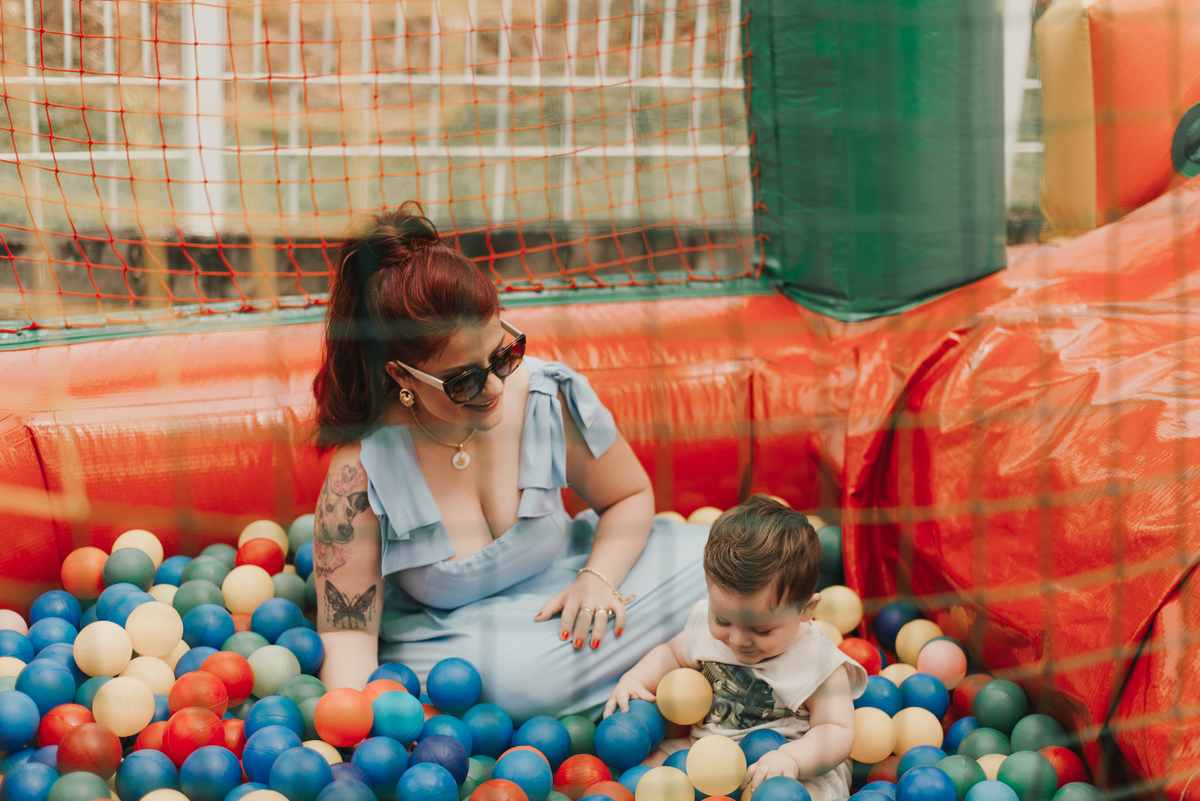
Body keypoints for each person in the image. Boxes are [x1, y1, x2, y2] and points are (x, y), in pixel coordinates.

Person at [310, 202, 710, 722]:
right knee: (519, 681)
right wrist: (366, 732)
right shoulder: (359, 474)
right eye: (464, 380)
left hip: (574, 584)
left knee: (729, 561)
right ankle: (687, 664)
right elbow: (349, 634)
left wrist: (598, 578)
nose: (497, 385)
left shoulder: (545, 394)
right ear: (402, 376)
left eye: (502, 355)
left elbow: (629, 497)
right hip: (471, 635)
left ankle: (674, 667)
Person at [604, 496, 866, 800]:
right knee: (644, 777)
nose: (739, 640)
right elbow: (672, 653)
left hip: (789, 767)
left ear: (806, 609)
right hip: (705, 754)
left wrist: (792, 759)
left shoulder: (817, 659)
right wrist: (635, 680)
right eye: (723, 620)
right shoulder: (704, 624)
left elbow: (837, 729)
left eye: (762, 629)